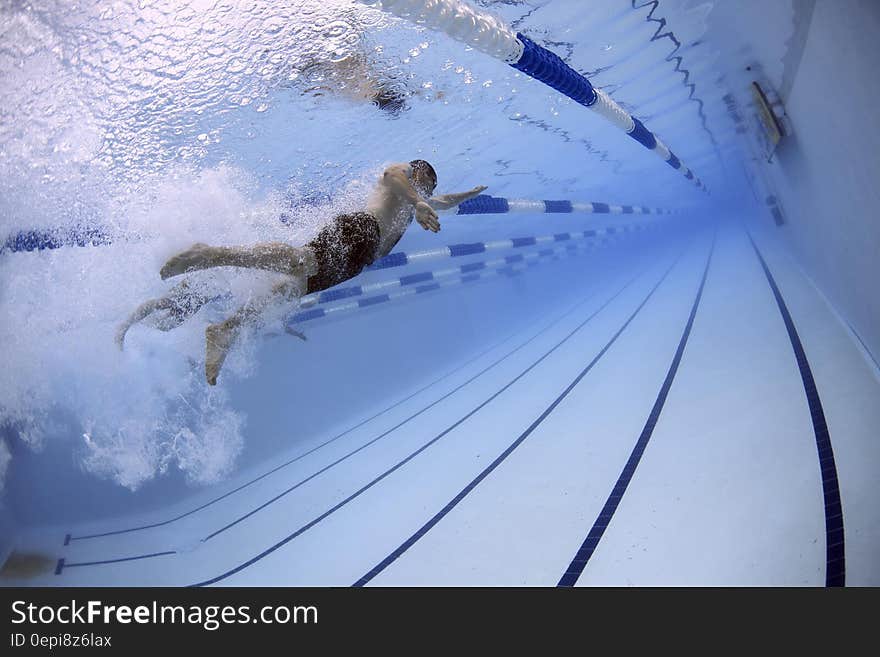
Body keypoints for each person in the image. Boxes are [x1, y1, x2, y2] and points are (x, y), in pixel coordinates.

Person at [122, 160, 486, 385]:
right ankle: (210, 255)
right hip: (359, 229)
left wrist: (466, 194)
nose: (426, 189)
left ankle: (225, 329)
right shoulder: (403, 178)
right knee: (299, 262)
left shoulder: (417, 203)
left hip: (356, 262)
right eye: (424, 181)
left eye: (428, 187)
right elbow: (393, 176)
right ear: (417, 171)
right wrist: (419, 200)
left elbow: (443, 201)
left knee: (289, 290)